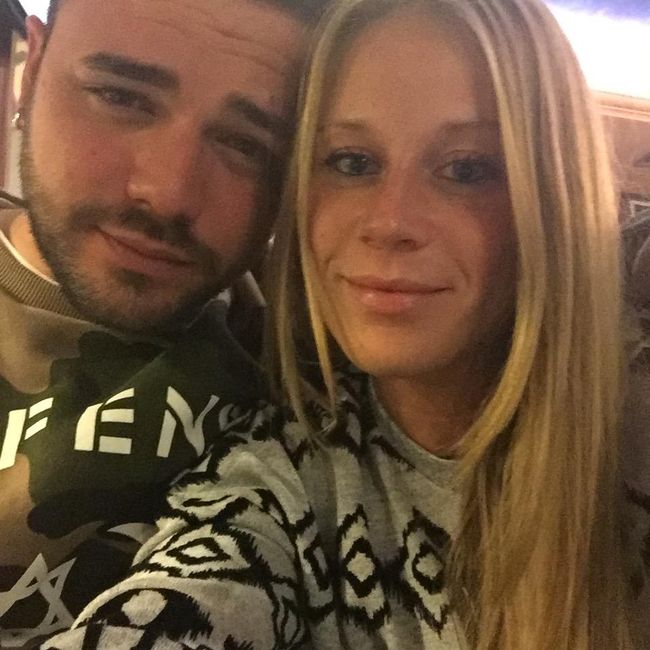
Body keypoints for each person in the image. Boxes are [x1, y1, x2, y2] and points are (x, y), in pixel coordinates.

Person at [41, 0, 650, 648]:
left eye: (466, 169)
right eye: (352, 162)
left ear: (554, 195)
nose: (389, 222)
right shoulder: (284, 475)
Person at [0, 0, 330, 645]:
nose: (170, 192)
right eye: (121, 97)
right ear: (31, 70)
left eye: (246, 144)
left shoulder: (313, 357)